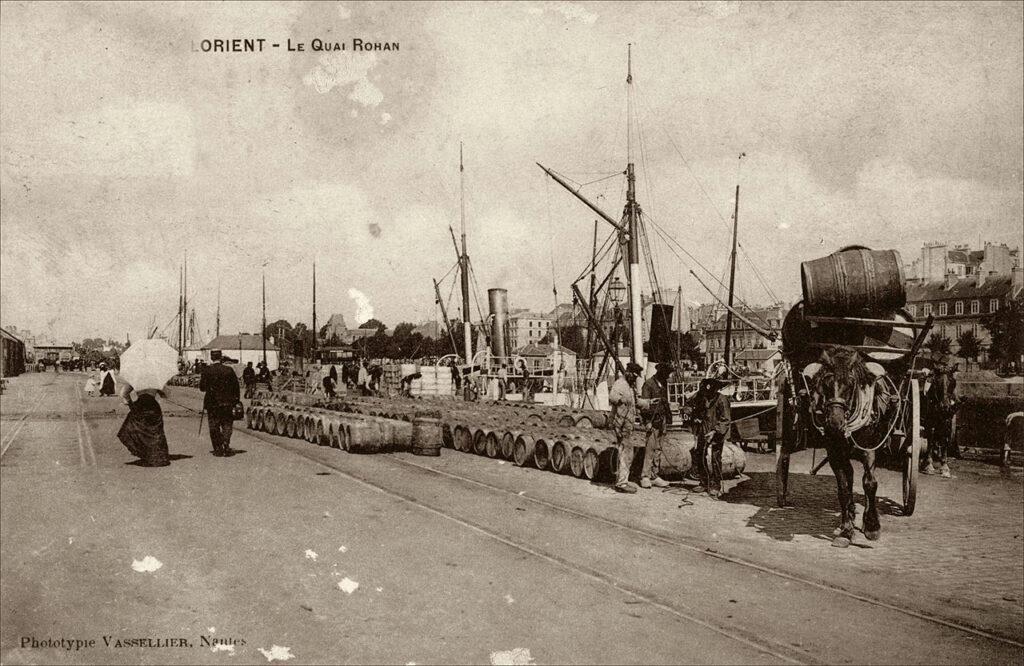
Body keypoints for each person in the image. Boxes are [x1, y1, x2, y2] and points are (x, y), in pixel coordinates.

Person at [607, 362, 653, 494]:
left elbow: (636, 402)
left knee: (626, 452)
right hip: (620, 424)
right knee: (626, 453)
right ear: (628, 373)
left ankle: (621, 480)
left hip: (626, 425)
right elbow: (612, 397)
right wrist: (620, 400)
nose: (635, 378)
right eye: (634, 375)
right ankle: (622, 483)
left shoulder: (629, 386)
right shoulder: (620, 384)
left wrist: (649, 403)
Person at [690, 377, 732, 498]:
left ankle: (715, 485)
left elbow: (725, 420)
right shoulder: (701, 396)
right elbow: (690, 406)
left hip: (717, 433)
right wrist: (694, 415)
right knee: (700, 455)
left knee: (715, 458)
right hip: (703, 430)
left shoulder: (722, 400)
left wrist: (714, 431)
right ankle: (704, 482)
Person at [116, 383, 170, 467]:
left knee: (138, 430)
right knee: (155, 432)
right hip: (153, 407)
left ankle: (145, 455)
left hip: (140, 406)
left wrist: (130, 403)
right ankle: (157, 458)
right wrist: (158, 392)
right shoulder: (155, 381)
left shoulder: (136, 380)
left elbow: (123, 393)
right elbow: (166, 394)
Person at [200, 350, 241, 457]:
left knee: (214, 425)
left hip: (212, 403)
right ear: (221, 357)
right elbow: (236, 387)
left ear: (211, 357)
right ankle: (226, 444)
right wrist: (236, 401)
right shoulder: (229, 370)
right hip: (227, 403)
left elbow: (202, 388)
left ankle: (218, 448)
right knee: (227, 424)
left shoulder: (207, 370)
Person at [639, 363, 673, 489]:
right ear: (661, 373)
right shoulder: (648, 384)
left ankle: (654, 475)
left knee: (658, 449)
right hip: (652, 420)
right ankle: (645, 476)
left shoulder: (664, 384)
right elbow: (644, 406)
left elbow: (665, 402)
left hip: (662, 420)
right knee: (650, 449)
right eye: (667, 374)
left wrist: (668, 418)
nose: (668, 376)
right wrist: (647, 422)